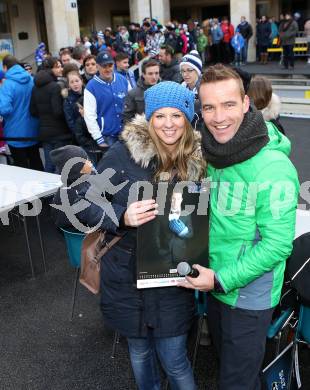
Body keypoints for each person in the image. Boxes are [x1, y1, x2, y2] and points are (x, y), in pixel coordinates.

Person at [179, 64, 299, 390]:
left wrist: (220, 279)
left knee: (236, 382)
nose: (219, 117)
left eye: (229, 104)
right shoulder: (213, 151)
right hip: (215, 284)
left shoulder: (273, 167)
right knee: (233, 372)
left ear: (246, 104)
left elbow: (276, 246)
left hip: (246, 296)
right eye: (209, 107)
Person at [91, 81, 205, 389]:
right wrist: (120, 216)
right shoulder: (122, 154)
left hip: (174, 281)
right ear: (149, 118)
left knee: (175, 360)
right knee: (140, 353)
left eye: (177, 115)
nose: (168, 124)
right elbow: (80, 202)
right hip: (127, 280)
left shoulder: (199, 159)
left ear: (188, 117)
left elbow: (205, 216)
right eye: (160, 116)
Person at [0, 55, 43, 170]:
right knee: (36, 162)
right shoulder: (31, 79)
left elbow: (4, 109)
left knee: (21, 168)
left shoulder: (7, 85)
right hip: (33, 129)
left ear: (5, 67)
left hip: (15, 134)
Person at [30, 57, 72, 173]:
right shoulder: (55, 86)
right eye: (57, 66)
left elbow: (32, 111)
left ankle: (48, 189)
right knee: (60, 165)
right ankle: (58, 190)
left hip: (44, 131)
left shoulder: (35, 87)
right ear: (50, 69)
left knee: (49, 163)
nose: (60, 69)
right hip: (59, 132)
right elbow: (58, 111)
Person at [83, 51, 128, 149]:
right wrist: (98, 138)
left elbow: (131, 104)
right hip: (107, 137)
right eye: (104, 66)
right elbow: (89, 116)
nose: (108, 69)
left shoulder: (123, 80)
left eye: (110, 65)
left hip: (126, 134)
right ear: (98, 67)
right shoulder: (91, 87)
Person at [122, 59, 160, 123]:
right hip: (143, 130)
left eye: (156, 73)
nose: (154, 77)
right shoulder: (133, 94)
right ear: (143, 74)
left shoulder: (165, 90)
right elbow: (127, 118)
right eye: (150, 74)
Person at [179, 50, 203, 129]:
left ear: (197, 71)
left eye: (189, 70)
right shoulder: (180, 88)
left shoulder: (204, 88)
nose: (185, 74)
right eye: (183, 71)